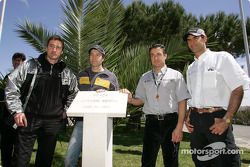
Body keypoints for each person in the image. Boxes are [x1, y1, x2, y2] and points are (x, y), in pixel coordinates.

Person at [4, 35, 78, 167]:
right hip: (28, 120)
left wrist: (66, 111)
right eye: (51, 46)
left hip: (53, 123)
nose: (54, 50)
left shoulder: (67, 73)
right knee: (20, 161)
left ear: (61, 51)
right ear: (46, 48)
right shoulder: (30, 66)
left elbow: (74, 94)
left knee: (45, 161)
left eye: (58, 47)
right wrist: (17, 111)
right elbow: (11, 85)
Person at [183, 27, 250, 167]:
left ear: (205, 38)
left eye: (195, 38)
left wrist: (227, 119)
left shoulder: (222, 58)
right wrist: (188, 115)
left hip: (217, 119)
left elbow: (238, 89)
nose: (191, 42)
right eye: (188, 40)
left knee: (226, 162)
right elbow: (191, 95)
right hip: (195, 121)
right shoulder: (191, 68)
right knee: (201, 161)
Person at [120, 44, 191, 167]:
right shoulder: (145, 77)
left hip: (171, 122)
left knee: (171, 161)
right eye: (152, 55)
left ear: (165, 56)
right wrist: (130, 99)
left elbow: (182, 101)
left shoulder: (176, 76)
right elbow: (140, 100)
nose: (155, 57)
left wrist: (179, 127)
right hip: (151, 123)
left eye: (158, 54)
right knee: (147, 161)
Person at [64, 44, 119, 167]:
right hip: (81, 122)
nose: (94, 57)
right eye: (91, 55)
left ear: (103, 58)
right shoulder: (81, 75)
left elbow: (116, 99)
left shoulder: (111, 77)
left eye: (97, 55)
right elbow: (72, 94)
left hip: (102, 123)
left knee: (96, 161)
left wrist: (106, 95)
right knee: (69, 160)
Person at [0, 53, 26, 167]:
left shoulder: (27, 78)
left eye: (20, 60)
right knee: (6, 146)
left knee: (19, 147)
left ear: (23, 63)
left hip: (21, 118)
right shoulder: (7, 77)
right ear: (12, 62)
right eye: (15, 60)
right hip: (6, 118)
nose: (17, 62)